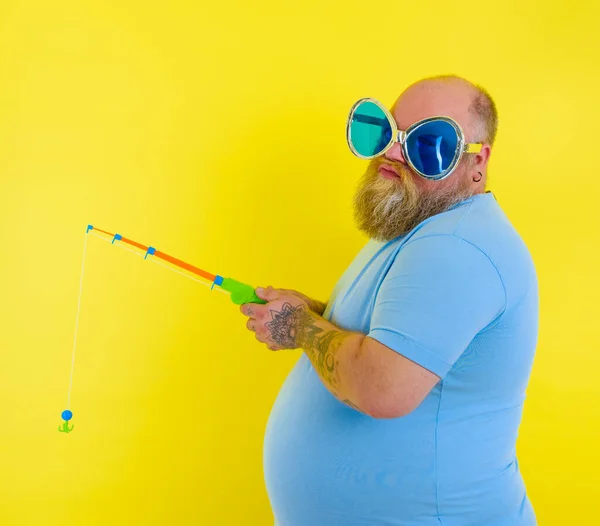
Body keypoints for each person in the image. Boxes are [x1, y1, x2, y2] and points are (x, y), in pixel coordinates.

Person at [240, 75, 538, 526]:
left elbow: (383, 390)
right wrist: (318, 316)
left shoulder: (457, 247)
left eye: (428, 143)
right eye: (386, 131)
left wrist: (301, 326)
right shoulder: (421, 221)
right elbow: (404, 342)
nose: (393, 152)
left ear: (478, 161)